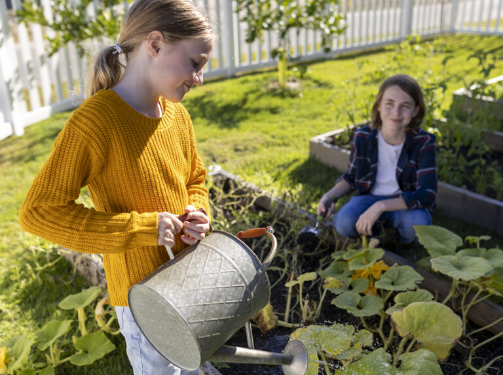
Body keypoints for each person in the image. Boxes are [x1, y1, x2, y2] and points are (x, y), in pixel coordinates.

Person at [19, 0, 215, 374]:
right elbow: (39, 212)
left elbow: (195, 179)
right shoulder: (96, 122)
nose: (199, 78)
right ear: (155, 44)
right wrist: (141, 228)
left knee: (190, 365)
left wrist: (198, 212)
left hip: (187, 281)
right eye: (195, 63)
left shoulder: (176, 115)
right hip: (142, 299)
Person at [318, 74, 437, 245]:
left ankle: (397, 240)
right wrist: (330, 195)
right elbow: (351, 178)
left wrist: (380, 206)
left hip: (404, 203)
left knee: (416, 229)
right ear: (379, 105)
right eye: (389, 103)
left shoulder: (424, 142)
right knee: (343, 223)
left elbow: (427, 194)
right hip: (369, 198)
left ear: (416, 110)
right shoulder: (362, 137)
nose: (396, 112)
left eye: (405, 106)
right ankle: (373, 232)